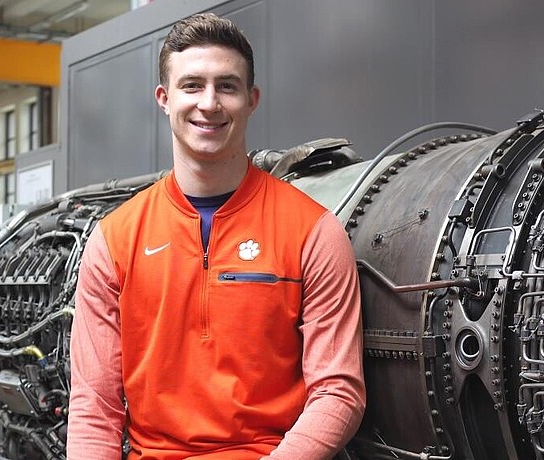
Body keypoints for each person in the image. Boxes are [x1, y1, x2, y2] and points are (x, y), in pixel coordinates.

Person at [66, 12, 366, 460]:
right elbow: (95, 407)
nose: (209, 103)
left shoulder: (314, 232)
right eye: (192, 86)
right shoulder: (114, 240)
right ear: (164, 98)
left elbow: (338, 393)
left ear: (252, 99)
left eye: (227, 86)